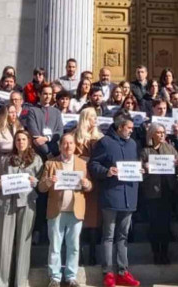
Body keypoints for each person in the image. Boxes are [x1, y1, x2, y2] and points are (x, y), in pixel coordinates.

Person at [88, 113, 143, 287]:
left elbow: (134, 164)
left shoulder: (133, 144)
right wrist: (106, 171)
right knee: (109, 235)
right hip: (111, 195)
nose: (131, 132)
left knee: (123, 236)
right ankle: (108, 273)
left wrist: (139, 171)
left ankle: (122, 271)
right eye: (129, 128)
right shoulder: (105, 142)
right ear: (120, 128)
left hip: (129, 196)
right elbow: (93, 165)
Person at [39, 133, 93, 287]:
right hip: (56, 211)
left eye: (71, 143)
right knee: (55, 246)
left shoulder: (82, 164)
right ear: (60, 146)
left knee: (74, 246)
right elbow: (41, 188)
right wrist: (49, 182)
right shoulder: (51, 163)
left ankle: (71, 276)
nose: (68, 146)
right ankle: (55, 277)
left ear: (75, 146)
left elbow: (90, 187)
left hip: (76, 211)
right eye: (65, 143)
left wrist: (86, 183)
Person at [0, 130, 43, 287]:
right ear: (14, 142)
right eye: (18, 140)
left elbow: (41, 183)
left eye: (24, 139)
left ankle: (20, 282)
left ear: (29, 141)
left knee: (24, 243)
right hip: (7, 202)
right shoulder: (5, 159)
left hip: (27, 202)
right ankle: (1, 282)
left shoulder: (36, 159)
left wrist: (34, 181)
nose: (21, 142)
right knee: (3, 243)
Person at [140, 122, 178, 264]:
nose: (162, 134)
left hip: (168, 192)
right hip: (152, 192)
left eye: (163, 132)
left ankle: (165, 253)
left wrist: (177, 164)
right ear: (152, 134)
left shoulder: (170, 149)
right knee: (154, 225)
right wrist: (144, 167)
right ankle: (156, 253)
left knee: (165, 224)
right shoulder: (145, 151)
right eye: (158, 132)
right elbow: (140, 171)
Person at [73, 108, 105, 266]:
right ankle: (78, 254)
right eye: (92, 117)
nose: (95, 120)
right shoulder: (74, 136)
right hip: (79, 179)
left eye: (96, 117)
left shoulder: (100, 137)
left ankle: (92, 254)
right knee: (79, 217)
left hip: (95, 180)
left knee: (93, 218)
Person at [24, 82, 63, 159]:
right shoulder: (32, 111)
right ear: (39, 94)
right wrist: (48, 154)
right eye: (45, 94)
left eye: (50, 94)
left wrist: (47, 138)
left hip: (55, 152)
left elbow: (59, 132)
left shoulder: (57, 112)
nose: (48, 96)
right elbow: (35, 136)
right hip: (37, 153)